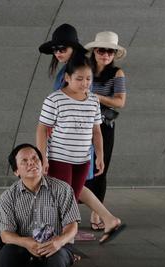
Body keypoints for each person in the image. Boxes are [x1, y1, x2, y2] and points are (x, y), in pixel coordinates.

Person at [36, 52, 126, 243]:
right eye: (79, 79)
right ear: (67, 78)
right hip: (59, 158)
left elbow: (96, 132)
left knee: (72, 201)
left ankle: (65, 240)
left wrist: (99, 156)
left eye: (88, 79)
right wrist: (43, 157)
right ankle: (60, 240)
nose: (85, 83)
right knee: (62, 200)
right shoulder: (54, 100)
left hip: (82, 160)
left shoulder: (92, 100)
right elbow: (42, 130)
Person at [83, 31, 128, 229]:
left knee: (101, 167)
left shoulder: (117, 73)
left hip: (103, 125)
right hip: (82, 124)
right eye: (102, 50)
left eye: (110, 51)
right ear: (94, 51)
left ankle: (96, 214)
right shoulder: (84, 69)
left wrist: (95, 97)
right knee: (79, 166)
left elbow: (120, 101)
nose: (106, 55)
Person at [38, 23, 83, 92]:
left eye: (63, 49)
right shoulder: (66, 68)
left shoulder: (81, 69)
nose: (58, 53)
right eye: (55, 49)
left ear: (74, 48)